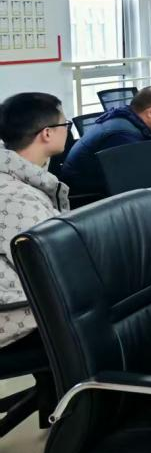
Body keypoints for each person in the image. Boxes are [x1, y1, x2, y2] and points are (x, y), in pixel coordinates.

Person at [0, 92, 70, 350]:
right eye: (65, 124)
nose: (68, 130)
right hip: (20, 318)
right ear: (47, 133)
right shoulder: (16, 197)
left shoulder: (17, 178)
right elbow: (55, 267)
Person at [60, 86, 151, 196]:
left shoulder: (125, 119)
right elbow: (130, 182)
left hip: (93, 186)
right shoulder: (123, 136)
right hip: (88, 197)